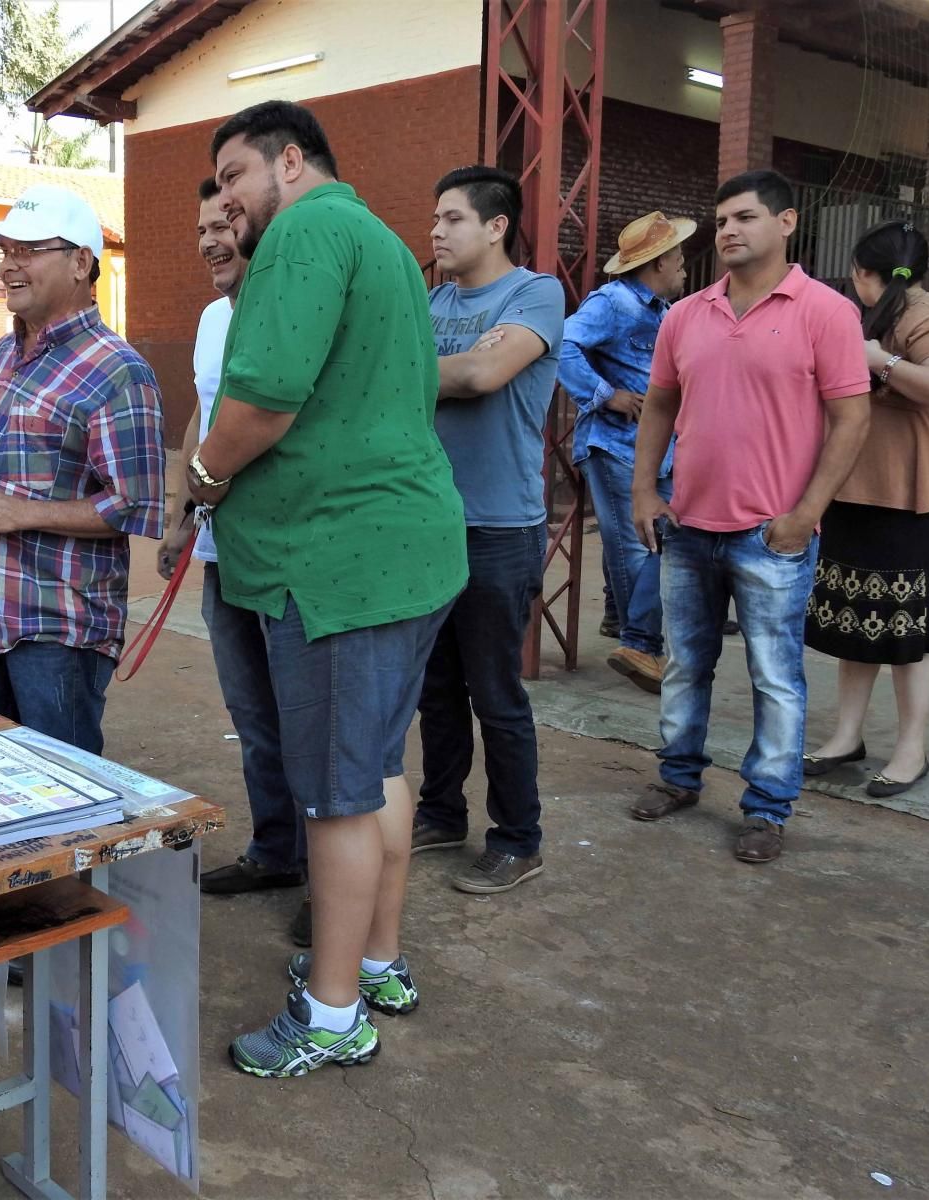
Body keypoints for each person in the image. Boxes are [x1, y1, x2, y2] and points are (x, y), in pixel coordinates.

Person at [192, 101, 465, 1078]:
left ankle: (332, 1013)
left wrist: (203, 481)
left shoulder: (306, 232)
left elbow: (261, 400)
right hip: (400, 551)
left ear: (290, 162)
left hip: (337, 563)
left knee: (338, 797)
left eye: (233, 175)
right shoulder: (382, 241)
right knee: (377, 769)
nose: (225, 200)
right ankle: (375, 961)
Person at [630, 170, 871, 862]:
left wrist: (807, 514)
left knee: (775, 675)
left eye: (744, 217)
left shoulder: (825, 312)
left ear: (787, 222)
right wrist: (645, 492)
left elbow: (852, 418)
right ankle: (677, 777)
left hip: (774, 534)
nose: (728, 230)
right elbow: (662, 406)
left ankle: (766, 808)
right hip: (689, 526)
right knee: (683, 665)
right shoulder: (686, 314)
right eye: (722, 219)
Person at [0, 185, 165, 755]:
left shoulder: (118, 372)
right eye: (4, 251)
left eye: (28, 250)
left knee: (65, 790)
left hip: (58, 626)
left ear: (80, 262)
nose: (8, 265)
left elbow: (133, 504)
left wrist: (18, 513)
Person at [157, 178, 309, 940]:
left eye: (225, 223)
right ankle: (276, 849)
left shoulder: (291, 311)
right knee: (254, 718)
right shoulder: (214, 317)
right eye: (201, 229)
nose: (212, 240)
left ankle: (330, 872)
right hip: (224, 553)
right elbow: (202, 413)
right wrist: (182, 512)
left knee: (309, 721)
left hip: (289, 556)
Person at [412, 165, 565, 894]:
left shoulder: (535, 293)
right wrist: (443, 365)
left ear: (496, 225)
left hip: (500, 527)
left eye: (453, 218)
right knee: (433, 689)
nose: (437, 231)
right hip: (428, 523)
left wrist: (411, 367)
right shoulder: (428, 300)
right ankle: (440, 812)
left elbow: (481, 376)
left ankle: (518, 838)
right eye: (435, 219)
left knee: (494, 692)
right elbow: (450, 372)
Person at [802, 220, 929, 798]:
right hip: (857, 490)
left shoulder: (927, 315)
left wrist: (879, 361)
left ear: (868, 274)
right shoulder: (873, 313)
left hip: (914, 498)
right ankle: (847, 737)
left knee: (911, 633)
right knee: (853, 619)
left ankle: (911, 752)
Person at [560, 210, 695, 693]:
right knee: (641, 544)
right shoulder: (615, 301)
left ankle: (622, 620)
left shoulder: (658, 309)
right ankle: (641, 644)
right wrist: (606, 395)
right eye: (678, 259)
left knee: (642, 540)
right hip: (616, 444)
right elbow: (563, 342)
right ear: (657, 263)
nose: (683, 267)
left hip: (653, 448)